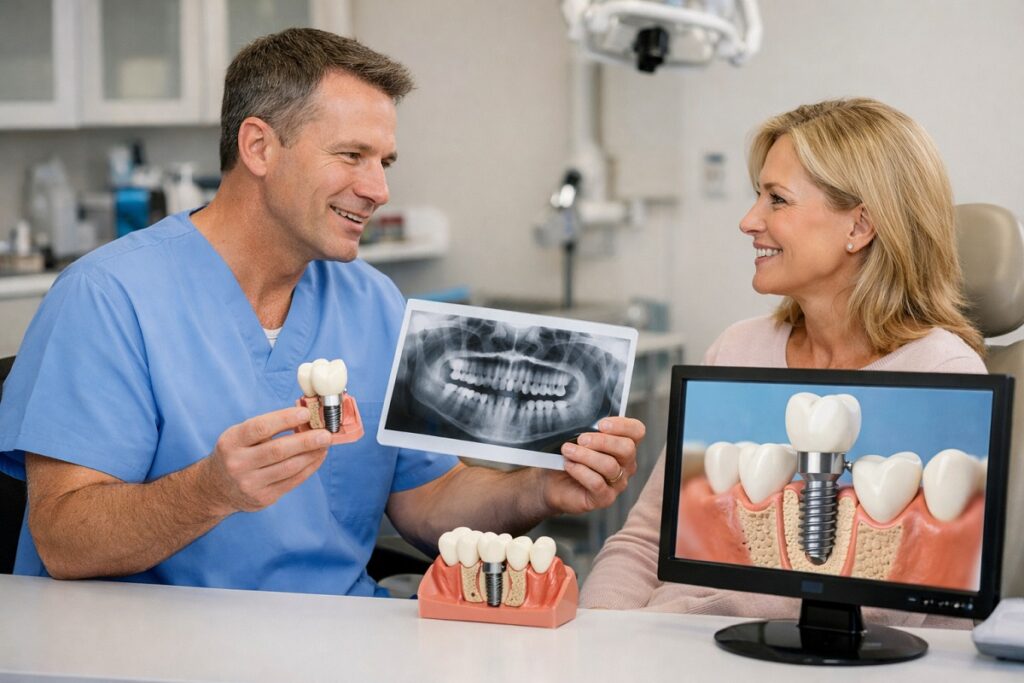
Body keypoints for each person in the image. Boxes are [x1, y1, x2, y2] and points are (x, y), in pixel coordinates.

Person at [0, 28, 644, 596]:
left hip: (338, 644)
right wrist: (211, 491)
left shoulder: (372, 303)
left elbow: (426, 502)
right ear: (258, 146)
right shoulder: (110, 297)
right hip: (157, 654)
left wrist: (541, 490)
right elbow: (63, 539)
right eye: (351, 156)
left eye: (385, 162)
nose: (378, 188)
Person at [580, 98, 985, 625]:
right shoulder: (734, 352)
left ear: (860, 227)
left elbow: (946, 621)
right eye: (758, 196)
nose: (750, 221)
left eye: (777, 200)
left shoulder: (943, 377)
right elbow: (643, 544)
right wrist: (602, 644)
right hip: (668, 647)